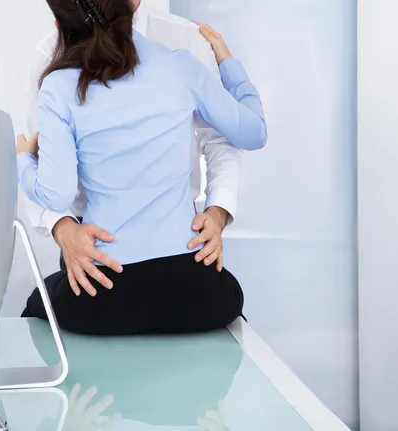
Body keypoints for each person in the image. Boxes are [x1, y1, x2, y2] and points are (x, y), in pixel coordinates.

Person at [18, 0, 267, 335]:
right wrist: (229, 65)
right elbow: (253, 132)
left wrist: (22, 158)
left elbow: (55, 192)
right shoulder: (181, 64)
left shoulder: (59, 83)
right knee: (229, 301)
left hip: (102, 289)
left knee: (37, 305)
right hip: (196, 290)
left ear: (61, 19)